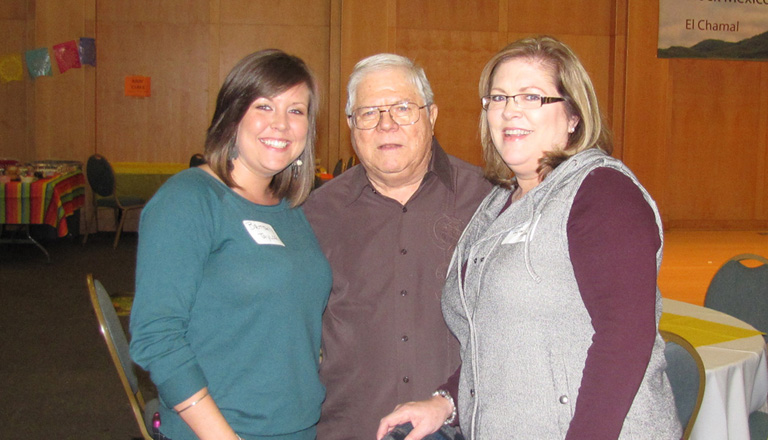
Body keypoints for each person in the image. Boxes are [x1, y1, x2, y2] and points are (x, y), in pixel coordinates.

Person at [378, 36, 683, 439]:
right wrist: (447, 402)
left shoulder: (603, 193)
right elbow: (498, 341)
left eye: (531, 97)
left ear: (573, 114)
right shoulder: (498, 203)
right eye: (499, 98)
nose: (510, 111)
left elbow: (625, 339)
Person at [129, 49, 332, 440]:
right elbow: (157, 336)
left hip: (297, 425)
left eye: (296, 111)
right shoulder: (189, 200)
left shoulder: (293, 210)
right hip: (220, 431)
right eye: (264, 106)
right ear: (233, 114)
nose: (281, 124)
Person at [302, 54, 491, 439]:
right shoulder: (317, 214)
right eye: (369, 112)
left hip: (459, 429)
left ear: (432, 115)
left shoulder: (487, 202)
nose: (386, 124)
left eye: (403, 108)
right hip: (349, 429)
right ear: (351, 125)